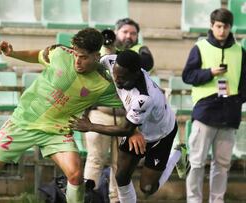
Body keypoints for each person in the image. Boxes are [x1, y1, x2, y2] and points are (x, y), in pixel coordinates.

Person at [0, 28, 123, 203]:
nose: (77, 61)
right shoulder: (59, 53)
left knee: (76, 176)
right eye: (76, 54)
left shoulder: (103, 83)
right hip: (23, 120)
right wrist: (13, 53)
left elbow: (130, 101)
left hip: (57, 131)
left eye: (83, 57)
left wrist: (135, 129)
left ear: (96, 55)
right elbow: (38, 55)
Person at [70, 50, 187, 203]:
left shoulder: (143, 98)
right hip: (138, 127)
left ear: (136, 74)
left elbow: (125, 129)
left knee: (147, 189)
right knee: (121, 177)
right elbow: (92, 64)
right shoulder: (111, 62)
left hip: (161, 134)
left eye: (122, 78)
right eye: (115, 75)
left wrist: (90, 126)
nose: (116, 80)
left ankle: (178, 154)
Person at [84, 18, 154, 203]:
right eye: (125, 32)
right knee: (95, 160)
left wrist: (121, 54)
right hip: (100, 113)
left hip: (128, 119)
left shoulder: (140, 52)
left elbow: (147, 63)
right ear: (116, 33)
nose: (129, 36)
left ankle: (116, 200)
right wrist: (109, 49)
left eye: (133, 33)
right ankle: (90, 198)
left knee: (120, 166)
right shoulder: (102, 51)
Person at [182, 8, 246, 203]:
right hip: (205, 112)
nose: (222, 30)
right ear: (212, 26)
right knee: (196, 162)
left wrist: (236, 101)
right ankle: (194, 200)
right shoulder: (200, 48)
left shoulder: (240, 51)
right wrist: (209, 73)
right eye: (218, 26)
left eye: (225, 26)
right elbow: (188, 76)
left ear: (230, 28)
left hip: (230, 114)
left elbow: (244, 83)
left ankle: (217, 200)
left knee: (223, 165)